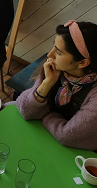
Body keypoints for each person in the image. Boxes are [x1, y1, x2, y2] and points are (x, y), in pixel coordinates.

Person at [15, 21, 97, 151]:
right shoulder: (55, 70)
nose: (49, 55)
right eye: (53, 46)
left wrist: (45, 114)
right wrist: (47, 83)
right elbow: (25, 110)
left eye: (58, 52)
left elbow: (67, 135)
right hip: (44, 135)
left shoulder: (94, 94)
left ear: (82, 63)